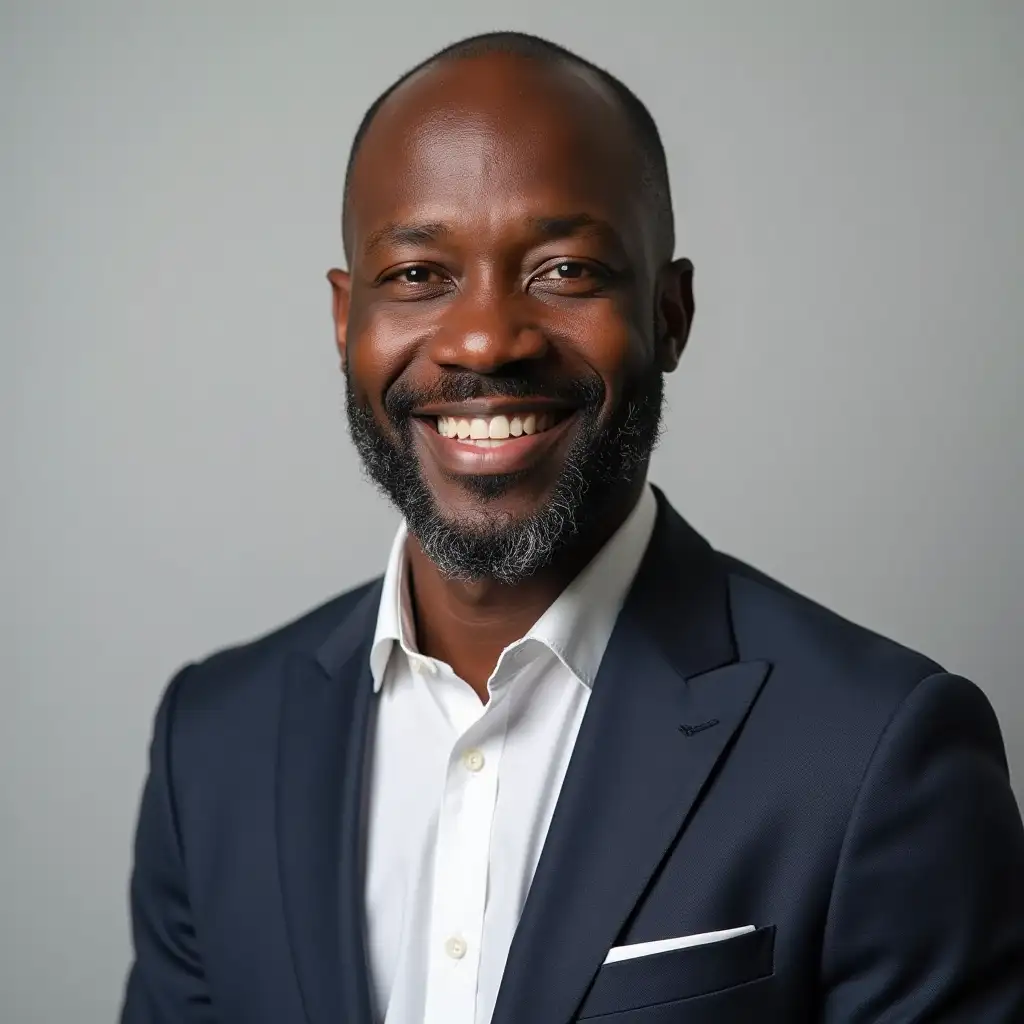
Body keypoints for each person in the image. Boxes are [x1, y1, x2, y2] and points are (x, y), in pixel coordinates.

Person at [120, 30, 1024, 1024]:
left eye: (564, 270)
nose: (483, 339)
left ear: (669, 313)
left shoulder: (875, 753)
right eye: (418, 274)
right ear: (347, 318)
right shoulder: (213, 744)